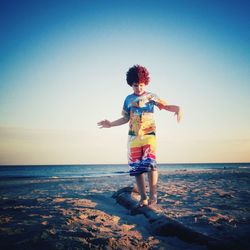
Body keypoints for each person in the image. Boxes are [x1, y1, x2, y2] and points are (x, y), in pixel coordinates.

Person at [98, 65, 182, 207]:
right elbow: (125, 118)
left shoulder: (151, 96)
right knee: (137, 169)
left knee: (150, 164)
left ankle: (153, 196)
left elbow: (165, 106)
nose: (139, 88)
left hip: (149, 134)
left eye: (141, 85)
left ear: (145, 83)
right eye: (136, 85)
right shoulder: (128, 99)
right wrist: (110, 124)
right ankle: (143, 198)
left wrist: (178, 108)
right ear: (131, 84)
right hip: (133, 138)